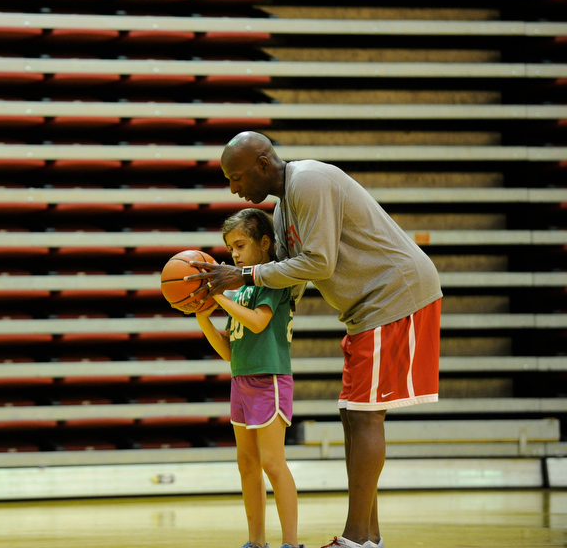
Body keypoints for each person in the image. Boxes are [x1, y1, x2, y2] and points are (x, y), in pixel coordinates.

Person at [189, 131, 442, 548]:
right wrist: (233, 297)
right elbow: (293, 273)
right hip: (367, 308)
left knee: (364, 415)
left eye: (235, 177)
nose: (233, 189)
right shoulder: (285, 206)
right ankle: (369, 537)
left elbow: (318, 263)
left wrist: (244, 276)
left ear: (263, 165)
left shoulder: (308, 181)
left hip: (395, 294)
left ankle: (357, 540)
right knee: (353, 414)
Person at [193, 207, 302, 548]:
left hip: (269, 378)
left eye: (240, 245)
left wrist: (219, 297)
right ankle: (256, 542)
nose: (234, 255)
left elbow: (257, 322)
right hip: (241, 380)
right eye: (231, 249)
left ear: (266, 243)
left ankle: (291, 542)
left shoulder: (272, 280)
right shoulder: (238, 290)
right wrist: (202, 319)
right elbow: (229, 350)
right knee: (247, 463)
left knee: (272, 461)